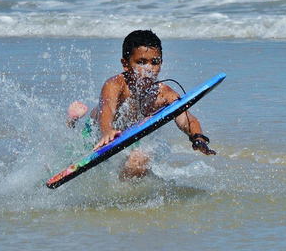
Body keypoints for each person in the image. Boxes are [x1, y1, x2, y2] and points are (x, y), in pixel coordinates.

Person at [67, 30, 215, 180]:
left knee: (140, 160)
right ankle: (72, 121)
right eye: (141, 62)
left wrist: (198, 137)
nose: (149, 68)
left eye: (155, 62)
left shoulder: (163, 93)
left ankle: (121, 193)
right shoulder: (116, 85)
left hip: (128, 138)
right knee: (71, 155)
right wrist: (107, 132)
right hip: (97, 133)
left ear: (161, 63)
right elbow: (107, 109)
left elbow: (186, 118)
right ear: (125, 64)